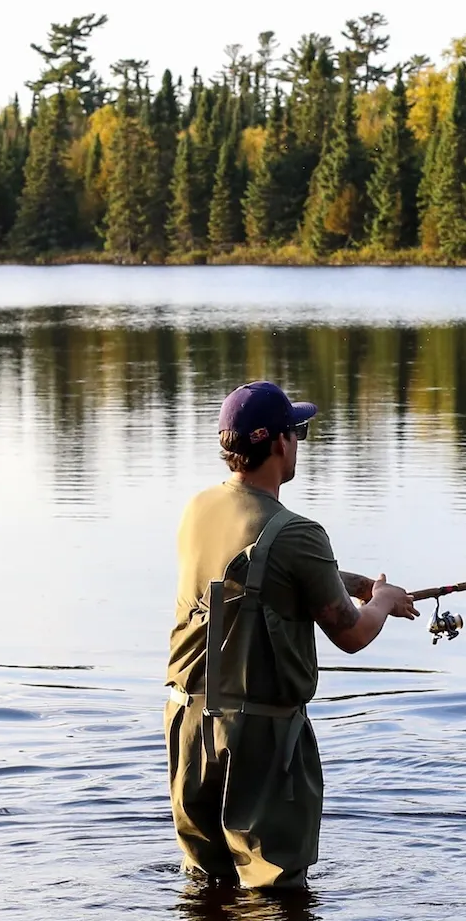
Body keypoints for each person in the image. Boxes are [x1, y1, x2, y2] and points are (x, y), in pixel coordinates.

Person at [166, 380, 416, 889]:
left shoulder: (198, 510)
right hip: (261, 737)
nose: (299, 441)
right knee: (275, 894)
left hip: (188, 724)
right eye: (298, 430)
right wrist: (384, 601)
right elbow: (351, 634)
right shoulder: (299, 532)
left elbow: (246, 580)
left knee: (206, 885)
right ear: (278, 442)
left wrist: (354, 583)